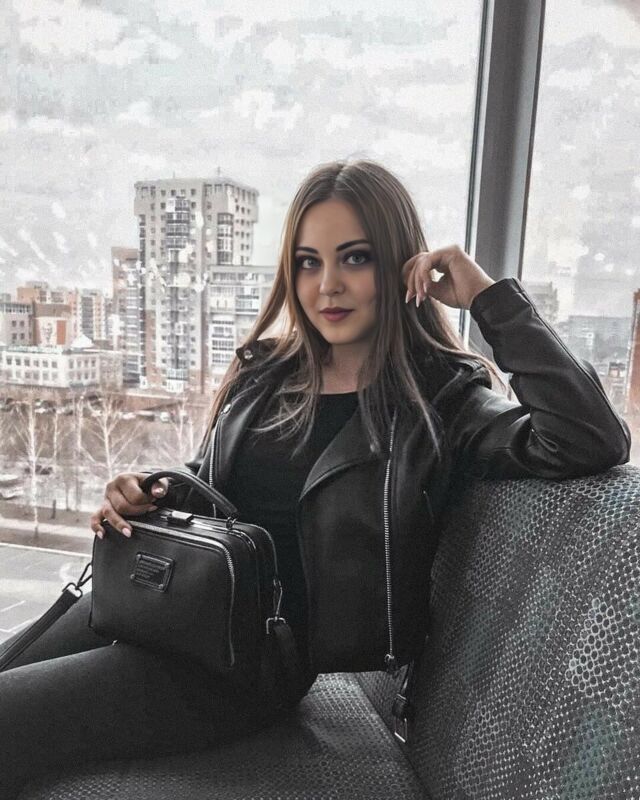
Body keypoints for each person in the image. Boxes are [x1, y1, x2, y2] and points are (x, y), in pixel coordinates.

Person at [0, 159, 631, 798]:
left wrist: (488, 299)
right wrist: (146, 491)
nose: (328, 285)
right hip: (170, 603)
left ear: (401, 266)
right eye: (309, 262)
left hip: (246, 665)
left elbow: (589, 437)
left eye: (355, 258)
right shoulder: (267, 374)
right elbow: (211, 484)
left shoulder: (440, 401)